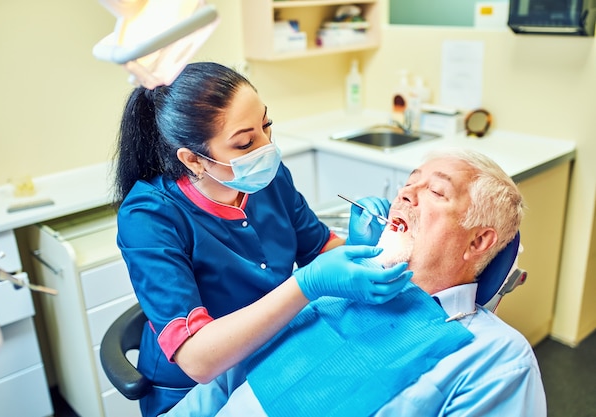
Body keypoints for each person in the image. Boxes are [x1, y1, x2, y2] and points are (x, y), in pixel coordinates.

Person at [113, 61, 412, 417]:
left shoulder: (268, 178)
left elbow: (318, 250)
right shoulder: (149, 216)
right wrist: (306, 285)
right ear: (192, 159)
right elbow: (197, 359)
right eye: (244, 142)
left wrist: (364, 247)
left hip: (274, 357)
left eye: (266, 126)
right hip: (195, 390)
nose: (267, 147)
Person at [160, 149, 547, 417]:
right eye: (409, 183)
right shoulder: (328, 291)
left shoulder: (497, 359)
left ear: (478, 241)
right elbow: (219, 387)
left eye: (435, 191)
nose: (405, 195)